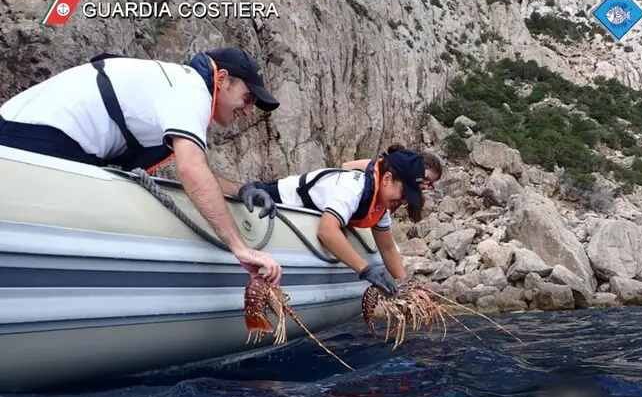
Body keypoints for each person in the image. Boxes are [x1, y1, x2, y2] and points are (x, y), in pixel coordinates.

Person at [0, 47, 282, 284]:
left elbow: (198, 169)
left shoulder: (173, 82)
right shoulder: (191, 90)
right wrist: (241, 248)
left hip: (26, 125)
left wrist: (241, 189)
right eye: (247, 99)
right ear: (222, 79)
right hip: (42, 135)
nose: (247, 112)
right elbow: (191, 170)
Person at [237, 148, 427, 295]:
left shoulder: (379, 207)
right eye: (403, 194)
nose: (402, 202)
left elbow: (388, 249)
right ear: (386, 178)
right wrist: (366, 270)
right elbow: (326, 232)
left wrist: (407, 288)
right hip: (270, 199)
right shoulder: (352, 188)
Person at [341, 143, 444, 212]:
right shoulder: (375, 167)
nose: (426, 185)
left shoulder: (407, 191)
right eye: (425, 178)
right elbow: (344, 169)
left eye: (430, 184)